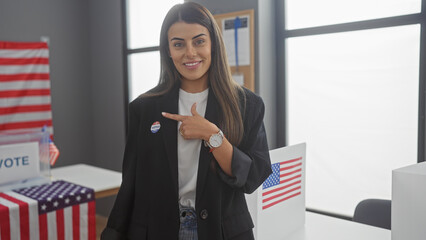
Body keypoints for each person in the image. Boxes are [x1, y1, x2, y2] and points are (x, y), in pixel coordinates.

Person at [101, 2, 271, 240]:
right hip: (157, 229)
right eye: (178, 44)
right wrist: (113, 233)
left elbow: (254, 177)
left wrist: (212, 135)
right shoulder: (144, 108)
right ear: (168, 50)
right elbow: (131, 183)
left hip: (222, 231)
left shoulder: (247, 104)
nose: (190, 53)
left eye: (199, 41)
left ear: (213, 44)